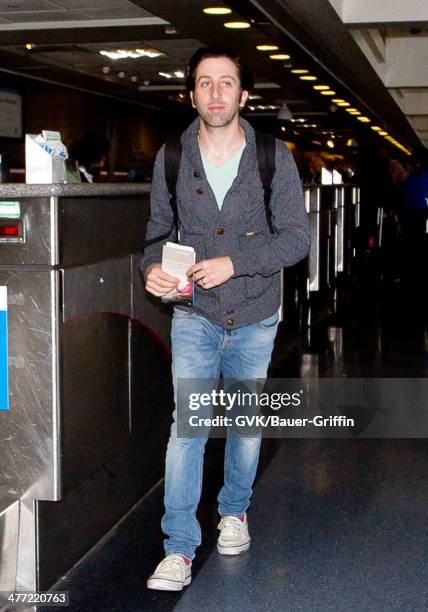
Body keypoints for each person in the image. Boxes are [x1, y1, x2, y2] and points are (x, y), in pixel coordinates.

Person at [141, 45, 310, 591]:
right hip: (195, 314)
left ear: (243, 93)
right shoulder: (171, 157)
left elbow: (297, 240)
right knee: (187, 429)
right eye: (205, 83)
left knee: (242, 424)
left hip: (256, 314)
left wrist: (236, 262)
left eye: (227, 83)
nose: (216, 93)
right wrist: (152, 272)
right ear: (191, 94)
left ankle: (234, 512)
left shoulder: (272, 156)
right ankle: (179, 547)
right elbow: (156, 236)